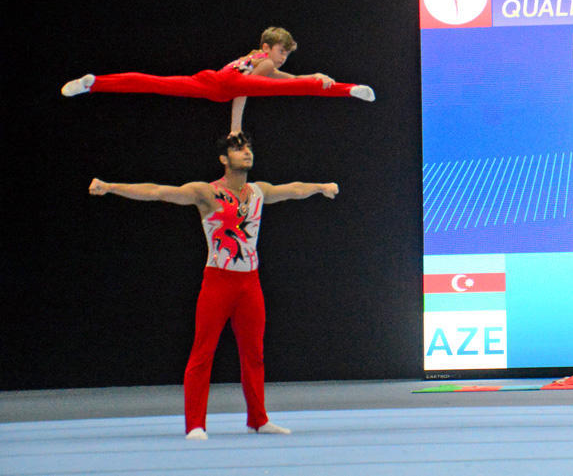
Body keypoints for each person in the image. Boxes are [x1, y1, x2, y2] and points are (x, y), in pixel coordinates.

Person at [88, 131, 339, 439]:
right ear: (223, 158)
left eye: (248, 148)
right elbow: (156, 192)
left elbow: (294, 189)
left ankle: (258, 419)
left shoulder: (259, 192)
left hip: (250, 284)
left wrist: (320, 188)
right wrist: (110, 187)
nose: (247, 153)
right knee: (202, 353)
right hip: (218, 283)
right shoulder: (205, 193)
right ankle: (195, 423)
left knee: (255, 354)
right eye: (238, 149)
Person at [60, 27, 375, 132]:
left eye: (286, 54)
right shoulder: (263, 62)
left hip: (209, 82)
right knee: (302, 87)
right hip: (228, 87)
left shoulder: (254, 57)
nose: (282, 57)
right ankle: (351, 90)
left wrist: (303, 76)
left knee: (153, 82)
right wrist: (235, 127)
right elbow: (246, 90)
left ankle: (93, 83)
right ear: (267, 47)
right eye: (281, 50)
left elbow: (272, 78)